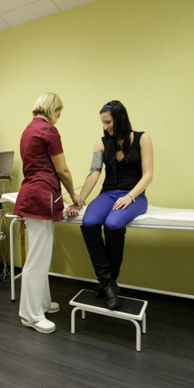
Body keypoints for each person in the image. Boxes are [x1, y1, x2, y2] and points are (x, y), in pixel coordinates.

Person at [68, 100, 154, 310]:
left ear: (120, 118)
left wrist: (130, 196)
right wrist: (80, 199)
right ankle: (108, 284)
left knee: (113, 224)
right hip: (108, 194)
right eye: (103, 123)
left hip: (134, 196)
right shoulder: (101, 143)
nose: (105, 126)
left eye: (108, 122)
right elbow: (94, 173)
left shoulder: (142, 139)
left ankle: (107, 283)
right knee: (89, 223)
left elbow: (148, 175)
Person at [14, 93, 83, 334]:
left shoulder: (28, 129)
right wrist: (74, 195)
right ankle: (30, 315)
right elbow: (62, 170)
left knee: (40, 255)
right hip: (41, 198)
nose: (57, 120)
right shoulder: (48, 130)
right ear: (52, 110)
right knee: (38, 259)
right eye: (58, 115)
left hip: (33, 194)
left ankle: (42, 303)